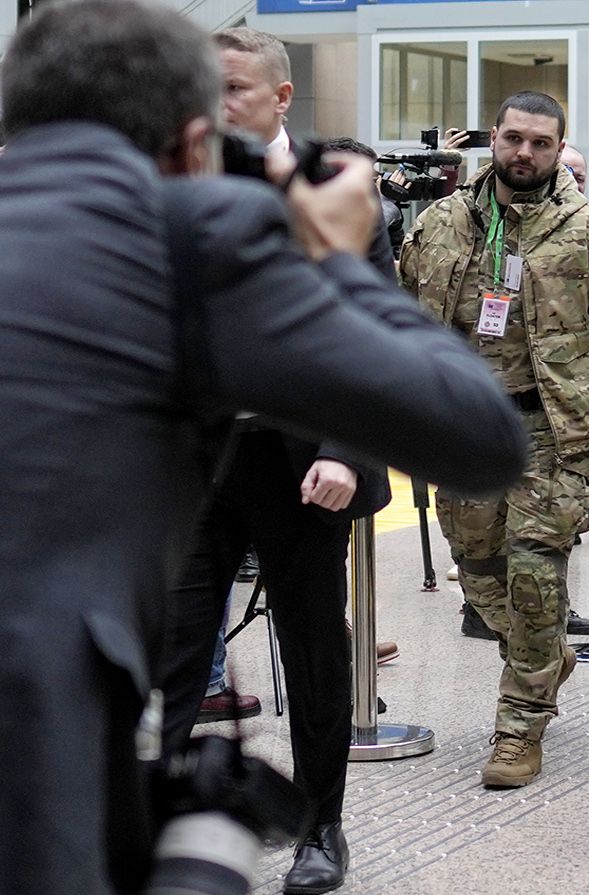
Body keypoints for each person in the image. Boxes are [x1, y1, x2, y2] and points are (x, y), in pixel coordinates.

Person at [0, 4, 526, 892]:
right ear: (188, 142)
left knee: (314, 648)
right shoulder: (189, 237)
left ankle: (320, 825)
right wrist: (341, 254)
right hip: (38, 728)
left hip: (287, 475)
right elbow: (478, 436)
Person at [148, 27, 401, 894]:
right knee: (177, 648)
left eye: (233, 91)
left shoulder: (339, 190)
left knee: (312, 650)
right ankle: (163, 823)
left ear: (281, 98)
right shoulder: (173, 185)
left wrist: (342, 450)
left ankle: (320, 827)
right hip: (197, 462)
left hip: (302, 463)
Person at [399, 89, 589, 789]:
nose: (524, 153)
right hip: (464, 426)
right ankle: (542, 655)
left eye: (540, 142)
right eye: (512, 139)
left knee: (535, 575)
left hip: (552, 428)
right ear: (493, 141)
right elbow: (404, 318)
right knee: (478, 573)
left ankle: (518, 726)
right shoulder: (440, 224)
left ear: (559, 148)